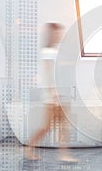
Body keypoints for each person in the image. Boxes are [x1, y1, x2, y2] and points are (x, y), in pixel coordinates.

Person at [25, 23, 78, 162]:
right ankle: (29, 147)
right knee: (46, 127)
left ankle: (64, 155)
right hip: (53, 97)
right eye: (56, 33)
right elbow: (48, 73)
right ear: (51, 34)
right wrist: (53, 94)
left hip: (62, 94)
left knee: (63, 126)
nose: (59, 35)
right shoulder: (48, 51)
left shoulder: (57, 50)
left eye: (60, 33)